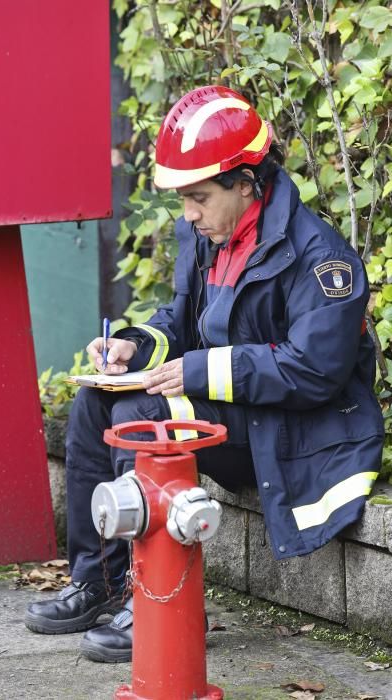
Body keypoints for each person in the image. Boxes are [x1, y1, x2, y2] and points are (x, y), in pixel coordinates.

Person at [25, 85, 384, 662]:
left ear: (246, 183)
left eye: (198, 197)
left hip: (299, 434)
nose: (189, 213)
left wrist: (195, 371)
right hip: (243, 417)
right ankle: (98, 583)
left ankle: (153, 605)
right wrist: (136, 348)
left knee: (141, 417)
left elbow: (314, 373)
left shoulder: (323, 259)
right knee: (98, 406)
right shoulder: (208, 235)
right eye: (184, 200)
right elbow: (182, 321)